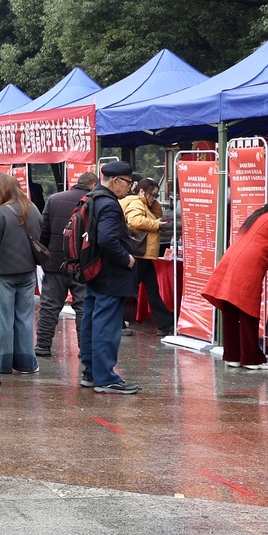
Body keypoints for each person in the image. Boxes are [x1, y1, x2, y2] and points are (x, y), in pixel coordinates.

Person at [77, 160, 144, 395]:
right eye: (128, 182)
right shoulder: (110, 204)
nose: (130, 187)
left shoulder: (92, 198)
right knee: (106, 325)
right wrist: (127, 259)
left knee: (91, 322)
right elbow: (107, 239)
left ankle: (91, 372)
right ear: (115, 181)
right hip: (110, 275)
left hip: (93, 270)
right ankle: (105, 378)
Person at [204, 200, 268, 371]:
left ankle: (233, 355)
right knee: (248, 309)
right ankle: (251, 358)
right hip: (250, 262)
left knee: (230, 307)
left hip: (232, 257)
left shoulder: (262, 215)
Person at [0, 173, 41, 376]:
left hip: (3, 271)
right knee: (25, 318)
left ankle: (3, 363)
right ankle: (27, 363)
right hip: (28, 269)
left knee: (4, 319)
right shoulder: (32, 209)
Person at [36, 172, 97, 359]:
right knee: (83, 307)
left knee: (49, 305)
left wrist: (46, 255)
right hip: (82, 263)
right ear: (93, 185)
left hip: (55, 263)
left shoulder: (53, 199)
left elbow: (43, 232)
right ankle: (85, 348)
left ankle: (43, 345)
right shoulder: (93, 201)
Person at [121, 175, 175, 336]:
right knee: (129, 290)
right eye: (152, 194)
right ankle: (114, 321)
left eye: (156, 195)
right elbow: (135, 221)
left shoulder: (143, 203)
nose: (154, 198)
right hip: (139, 254)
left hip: (143, 254)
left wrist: (151, 200)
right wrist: (156, 224)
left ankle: (165, 324)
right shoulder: (137, 203)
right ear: (142, 191)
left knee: (151, 290)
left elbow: (157, 212)